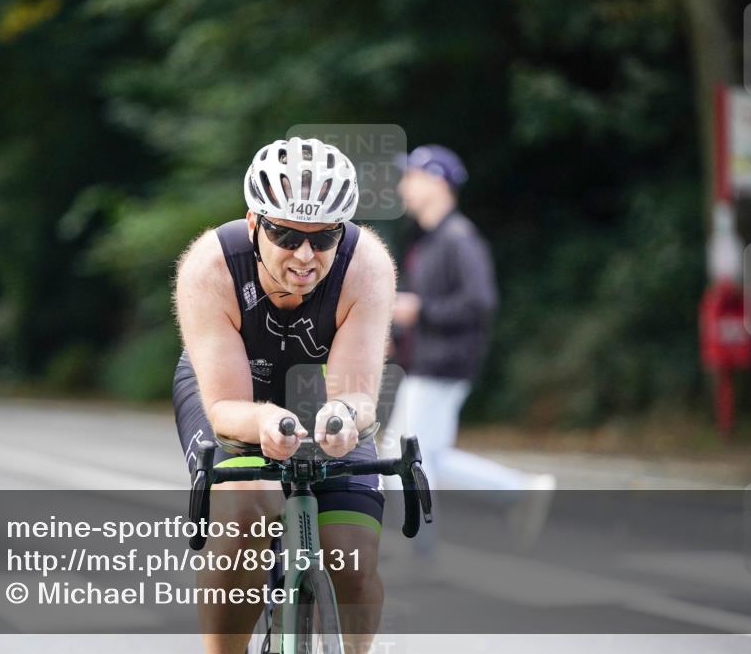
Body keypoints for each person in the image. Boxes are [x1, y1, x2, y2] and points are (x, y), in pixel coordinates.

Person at [172, 137, 396, 654]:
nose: (304, 255)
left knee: (354, 563)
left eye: (323, 238)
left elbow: (359, 396)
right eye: (286, 234)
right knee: (249, 512)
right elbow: (226, 410)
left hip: (323, 395)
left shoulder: (367, 266)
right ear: (254, 224)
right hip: (232, 392)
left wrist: (342, 417)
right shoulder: (212, 266)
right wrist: (267, 423)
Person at [380, 144, 555, 551]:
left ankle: (419, 550)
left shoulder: (459, 238)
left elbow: (480, 302)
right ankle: (519, 490)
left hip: (443, 363)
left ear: (438, 182)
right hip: (430, 360)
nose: (404, 186)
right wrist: (403, 332)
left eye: (412, 176)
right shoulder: (430, 240)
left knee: (405, 457)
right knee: (423, 456)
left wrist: (419, 313)